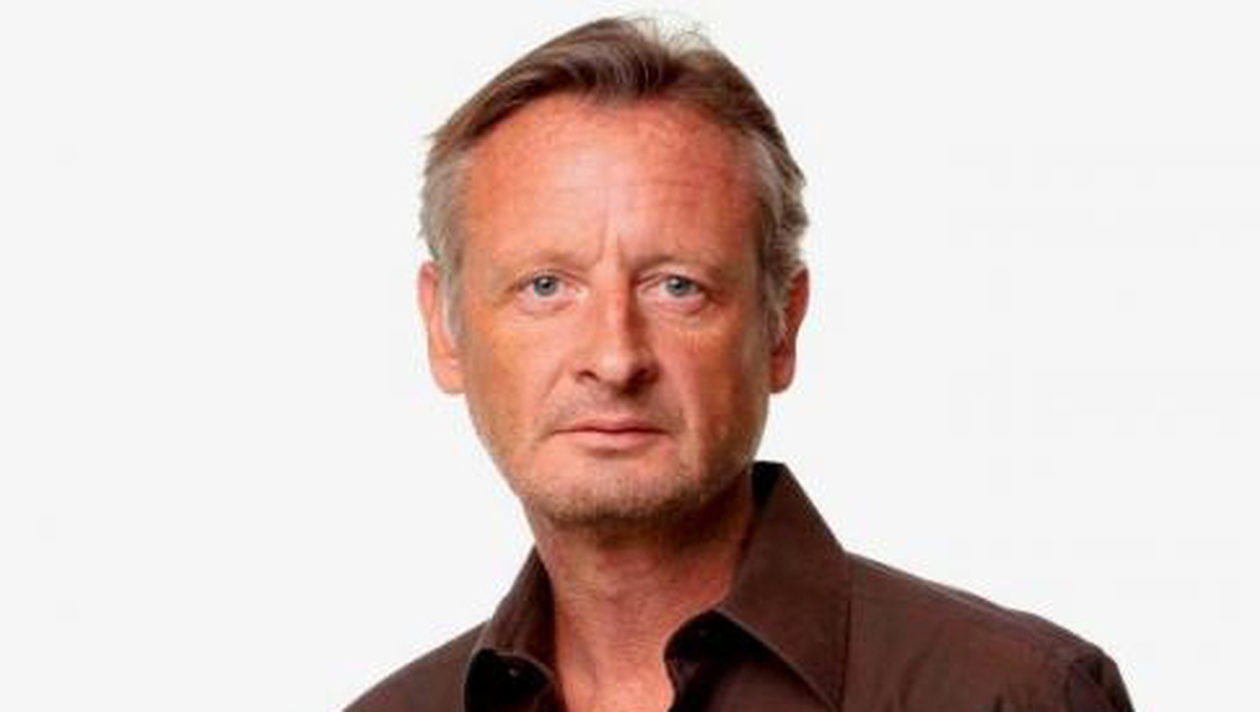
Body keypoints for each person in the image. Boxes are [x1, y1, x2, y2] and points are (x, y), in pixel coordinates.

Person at [347, 16, 1134, 712]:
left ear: (781, 325)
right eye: (546, 286)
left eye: (677, 287)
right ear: (444, 328)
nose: (615, 358)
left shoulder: (1013, 697)